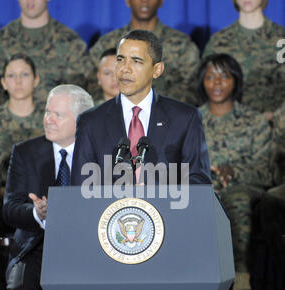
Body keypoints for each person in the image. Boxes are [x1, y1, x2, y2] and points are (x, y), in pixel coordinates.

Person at [2, 84, 94, 290]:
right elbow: (10, 208)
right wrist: (37, 213)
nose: (48, 120)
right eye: (46, 112)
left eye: (58, 115)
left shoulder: (99, 153)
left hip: (90, 250)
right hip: (37, 248)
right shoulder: (25, 152)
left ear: (82, 120)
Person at [71, 29, 211, 187]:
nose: (125, 68)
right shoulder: (90, 122)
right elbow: (80, 189)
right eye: (120, 59)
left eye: (136, 61)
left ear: (157, 70)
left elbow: (199, 183)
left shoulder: (185, 118)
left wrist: (156, 195)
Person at [197, 53, 274, 290]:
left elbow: (267, 171)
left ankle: (242, 286)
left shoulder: (254, 122)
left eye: (224, 76)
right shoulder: (191, 120)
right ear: (202, 82)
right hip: (203, 190)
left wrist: (235, 171)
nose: (217, 83)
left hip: (242, 190)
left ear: (236, 81)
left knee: (239, 203)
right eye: (210, 77)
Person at [85, 0, 200, 105]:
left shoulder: (181, 44)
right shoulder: (108, 42)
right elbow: (90, 82)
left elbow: (193, 87)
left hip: (168, 120)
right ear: (127, 1)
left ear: (161, 1)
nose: (144, 1)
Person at [0, 0, 88, 112]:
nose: (30, 1)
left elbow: (79, 94)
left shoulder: (71, 42)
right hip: (9, 124)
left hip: (57, 122)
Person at [202, 0, 285, 114]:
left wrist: (277, 119)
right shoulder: (218, 41)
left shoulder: (281, 38)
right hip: (232, 124)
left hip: (275, 125)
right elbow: (205, 86)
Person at [0, 54, 43, 195]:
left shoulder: (51, 120)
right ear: (3, 82)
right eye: (11, 76)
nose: (18, 81)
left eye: (24, 74)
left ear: (36, 80)